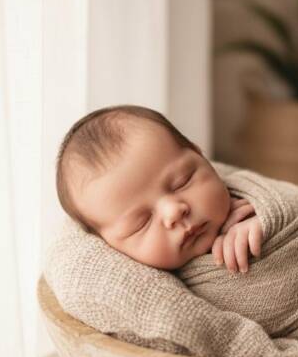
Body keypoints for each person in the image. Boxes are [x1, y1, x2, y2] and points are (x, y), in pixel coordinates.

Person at [55, 105, 262, 272]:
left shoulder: (250, 201)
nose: (174, 211)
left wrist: (263, 223)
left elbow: (280, 201)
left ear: (200, 156)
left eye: (182, 182)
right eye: (141, 223)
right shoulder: (136, 282)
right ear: (109, 246)